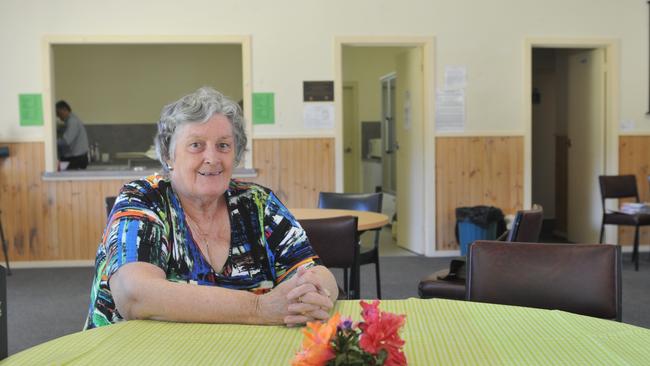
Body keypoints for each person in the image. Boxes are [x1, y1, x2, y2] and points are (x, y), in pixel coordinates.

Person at [84, 87, 338, 329]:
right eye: (196, 145)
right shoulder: (144, 198)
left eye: (223, 145)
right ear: (169, 154)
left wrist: (315, 292)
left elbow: (315, 270)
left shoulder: (257, 203)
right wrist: (259, 308)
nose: (212, 158)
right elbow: (134, 294)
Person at [55, 100, 89, 170]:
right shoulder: (71, 120)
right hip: (76, 158)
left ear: (64, 109)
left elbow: (66, 142)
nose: (58, 116)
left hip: (76, 159)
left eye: (58, 113)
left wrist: (52, 142)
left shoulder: (72, 121)